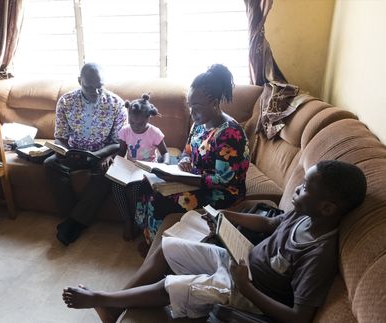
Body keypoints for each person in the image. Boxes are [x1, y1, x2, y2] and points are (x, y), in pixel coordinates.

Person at [62, 160, 367, 323]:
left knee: (171, 286)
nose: (297, 189)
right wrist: (227, 217)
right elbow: (270, 222)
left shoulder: (319, 253)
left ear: (328, 207)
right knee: (169, 247)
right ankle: (115, 307)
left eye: (304, 188)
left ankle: (104, 299)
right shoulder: (304, 216)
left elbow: (299, 317)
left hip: (250, 291)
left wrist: (246, 287)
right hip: (242, 260)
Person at [135, 64, 250, 245]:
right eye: (190, 106)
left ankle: (162, 250)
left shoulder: (229, 133)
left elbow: (224, 180)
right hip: (193, 178)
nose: (192, 112)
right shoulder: (199, 124)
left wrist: (179, 178)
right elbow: (187, 151)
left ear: (214, 103)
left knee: (161, 200)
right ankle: (148, 237)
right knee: (147, 183)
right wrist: (185, 161)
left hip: (221, 193)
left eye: (196, 106)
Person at [44, 63, 127, 246]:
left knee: (110, 171)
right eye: (89, 86)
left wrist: (99, 155)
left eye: (100, 86)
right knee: (50, 163)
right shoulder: (66, 101)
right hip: (74, 153)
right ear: (79, 80)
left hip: (102, 154)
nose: (95, 92)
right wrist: (65, 152)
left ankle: (73, 223)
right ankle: (72, 217)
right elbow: (60, 136)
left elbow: (117, 142)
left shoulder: (116, 104)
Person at [110, 94, 169, 240]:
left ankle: (137, 222)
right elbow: (122, 152)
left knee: (135, 189)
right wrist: (113, 160)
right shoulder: (125, 131)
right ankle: (128, 220)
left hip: (146, 169)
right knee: (116, 185)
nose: (135, 127)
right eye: (132, 123)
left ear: (148, 119)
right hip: (129, 167)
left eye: (140, 124)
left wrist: (165, 164)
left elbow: (165, 153)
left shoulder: (154, 133)